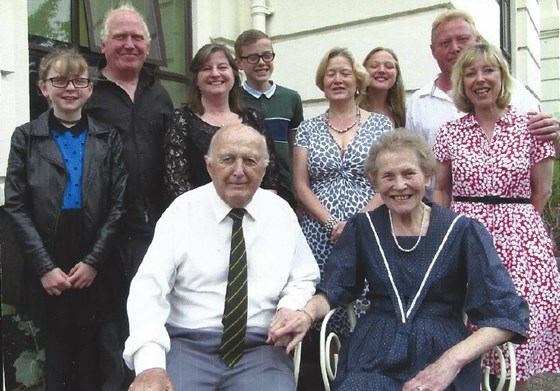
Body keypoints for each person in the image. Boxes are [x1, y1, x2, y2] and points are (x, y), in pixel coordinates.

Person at [269, 129, 529, 391]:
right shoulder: (363, 228)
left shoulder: (462, 231)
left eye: (408, 173)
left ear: (427, 176)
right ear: (375, 182)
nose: (399, 185)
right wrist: (306, 314)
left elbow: (504, 315)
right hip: (374, 351)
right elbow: (335, 288)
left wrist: (451, 361)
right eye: (388, 176)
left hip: (443, 348)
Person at [124, 124, 320, 391]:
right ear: (209, 166)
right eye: (227, 160)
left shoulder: (280, 213)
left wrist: (290, 306)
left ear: (264, 169)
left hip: (261, 349)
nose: (238, 171)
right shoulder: (182, 212)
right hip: (187, 345)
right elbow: (148, 288)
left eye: (250, 161)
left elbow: (304, 275)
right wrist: (151, 365)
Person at [432, 42, 560, 390]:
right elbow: (441, 189)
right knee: (473, 320)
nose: (480, 79)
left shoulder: (530, 126)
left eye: (489, 70)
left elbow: (542, 191)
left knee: (527, 316)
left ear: (502, 77)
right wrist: (442, 235)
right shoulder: (450, 132)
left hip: (521, 235)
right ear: (461, 82)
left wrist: (515, 225)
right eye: (470, 73)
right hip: (467, 233)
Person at [4, 49, 127, 390]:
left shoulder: (108, 137)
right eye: (59, 80)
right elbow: (15, 204)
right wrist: (44, 266)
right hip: (48, 253)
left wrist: (93, 261)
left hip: (95, 256)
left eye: (79, 81)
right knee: (56, 356)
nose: (69, 88)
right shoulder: (26, 138)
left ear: (90, 89)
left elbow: (118, 205)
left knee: (97, 354)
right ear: (43, 87)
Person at [84, 3, 174, 388]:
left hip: (155, 226)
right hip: (102, 229)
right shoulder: (88, 92)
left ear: (148, 46)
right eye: (120, 37)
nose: (129, 44)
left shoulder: (160, 94)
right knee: (108, 322)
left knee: (151, 316)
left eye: (137, 37)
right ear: (103, 45)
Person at [292, 47, 392, 390]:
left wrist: (355, 224)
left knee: (366, 297)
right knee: (322, 296)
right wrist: (331, 223)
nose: (338, 79)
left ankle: (363, 372)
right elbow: (300, 183)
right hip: (319, 234)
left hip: (370, 228)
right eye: (331, 73)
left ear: (357, 81)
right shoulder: (306, 129)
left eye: (345, 73)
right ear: (322, 82)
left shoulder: (380, 125)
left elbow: (387, 179)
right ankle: (322, 375)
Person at [406, 9, 559, 148]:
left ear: (477, 41)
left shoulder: (515, 91)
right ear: (433, 51)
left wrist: (554, 136)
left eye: (462, 39)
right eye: (445, 43)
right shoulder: (419, 102)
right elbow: (411, 159)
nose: (455, 48)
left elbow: (544, 147)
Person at [164, 43, 278, 203]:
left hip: (251, 217)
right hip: (200, 218)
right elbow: (176, 183)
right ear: (196, 79)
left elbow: (270, 176)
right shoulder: (181, 120)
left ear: (234, 74)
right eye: (206, 68)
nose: (215, 73)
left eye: (222, 67)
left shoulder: (254, 119)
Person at [234, 29, 304, 209]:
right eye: (253, 57)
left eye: (267, 56)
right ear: (239, 63)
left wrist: (298, 186)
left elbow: (295, 149)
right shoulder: (233, 100)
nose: (261, 63)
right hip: (246, 186)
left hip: (285, 188)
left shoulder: (291, 98)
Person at [359, 47, 406, 128]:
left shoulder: (401, 115)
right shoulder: (351, 111)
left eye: (389, 66)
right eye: (374, 66)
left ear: (396, 75)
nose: (382, 70)